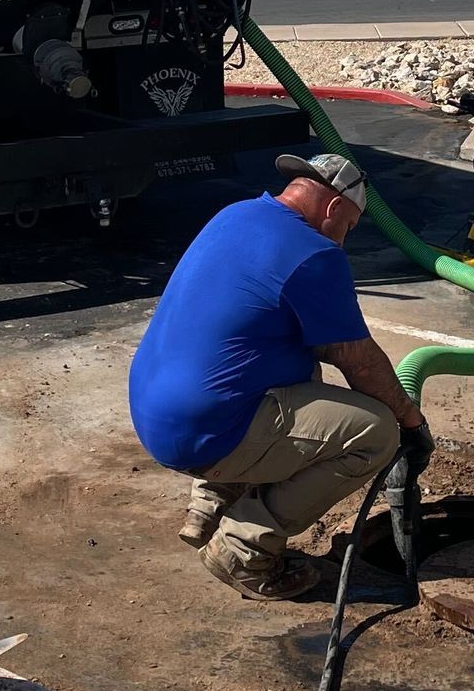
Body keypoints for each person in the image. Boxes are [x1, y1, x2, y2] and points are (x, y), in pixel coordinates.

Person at [128, 149, 434, 601]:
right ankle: (242, 548)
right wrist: (409, 419)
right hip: (206, 433)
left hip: (156, 409)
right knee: (374, 432)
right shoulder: (315, 255)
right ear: (333, 208)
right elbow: (359, 361)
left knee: (295, 361)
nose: (344, 240)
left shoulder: (238, 214)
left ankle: (211, 501)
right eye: (348, 226)